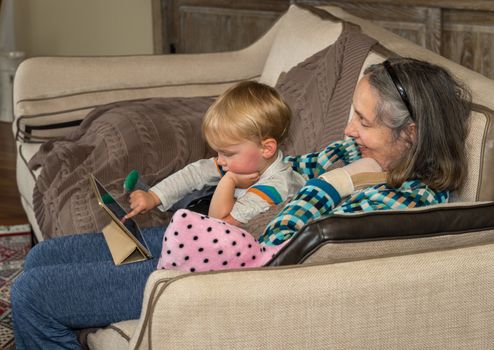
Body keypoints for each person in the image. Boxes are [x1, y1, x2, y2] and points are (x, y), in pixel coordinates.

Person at [11, 57, 471, 349]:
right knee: (44, 256)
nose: (349, 129)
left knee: (31, 295)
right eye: (353, 113)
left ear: (409, 133)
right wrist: (252, 173)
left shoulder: (406, 203)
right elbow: (293, 171)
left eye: (364, 121)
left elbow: (291, 247)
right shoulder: (359, 151)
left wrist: (340, 182)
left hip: (219, 274)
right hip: (206, 238)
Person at [124, 80, 305, 226]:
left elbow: (217, 227)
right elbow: (195, 173)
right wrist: (154, 196)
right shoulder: (243, 162)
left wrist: (229, 180)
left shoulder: (277, 188)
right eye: (218, 152)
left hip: (232, 238)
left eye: (228, 153)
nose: (220, 160)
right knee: (196, 191)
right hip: (219, 213)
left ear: (266, 149)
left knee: (196, 206)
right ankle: (146, 192)